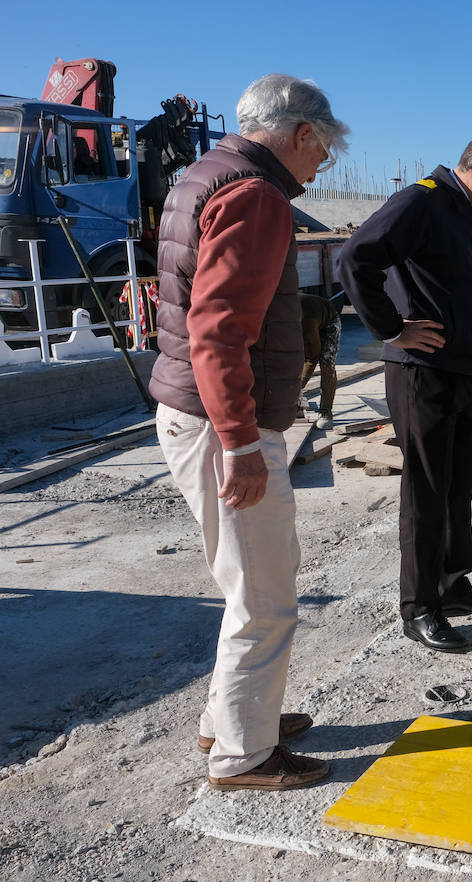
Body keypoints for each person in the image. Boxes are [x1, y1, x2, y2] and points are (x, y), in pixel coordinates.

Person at [149, 74, 347, 790]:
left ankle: (232, 719)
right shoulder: (257, 196)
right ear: (299, 134)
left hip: (193, 410)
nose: (321, 163)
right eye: (322, 149)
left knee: (247, 583)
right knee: (265, 594)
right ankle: (243, 754)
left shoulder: (204, 175)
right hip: (222, 420)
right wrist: (239, 443)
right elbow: (219, 332)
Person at [338, 118, 472, 654]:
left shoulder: (465, 214)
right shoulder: (422, 202)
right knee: (426, 491)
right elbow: (356, 258)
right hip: (422, 374)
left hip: (464, 373)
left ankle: (453, 584)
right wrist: (392, 328)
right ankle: (419, 606)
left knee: (456, 485)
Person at [299, 292, 340, 430]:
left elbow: (312, 357)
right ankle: (296, 404)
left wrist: (298, 387)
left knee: (327, 363)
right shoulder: (274, 317)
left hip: (328, 321)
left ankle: (325, 411)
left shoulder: (305, 320)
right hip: (311, 314)